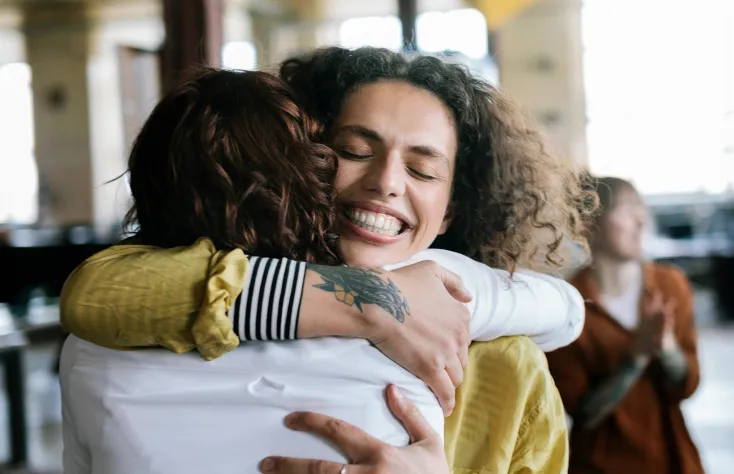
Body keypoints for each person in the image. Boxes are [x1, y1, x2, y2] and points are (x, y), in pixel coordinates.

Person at [60, 53, 591, 473]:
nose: (386, 182)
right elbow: (95, 293)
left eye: (423, 170)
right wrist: (375, 304)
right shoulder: (165, 302)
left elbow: (564, 310)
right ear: (303, 160)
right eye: (354, 150)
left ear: (452, 209)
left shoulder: (505, 364)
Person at [545, 176, 704, 474]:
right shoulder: (566, 306)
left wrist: (668, 349)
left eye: (640, 208)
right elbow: (583, 413)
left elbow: (687, 385)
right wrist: (636, 358)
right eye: (627, 209)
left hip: (673, 461)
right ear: (589, 227)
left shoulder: (671, 286)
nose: (641, 221)